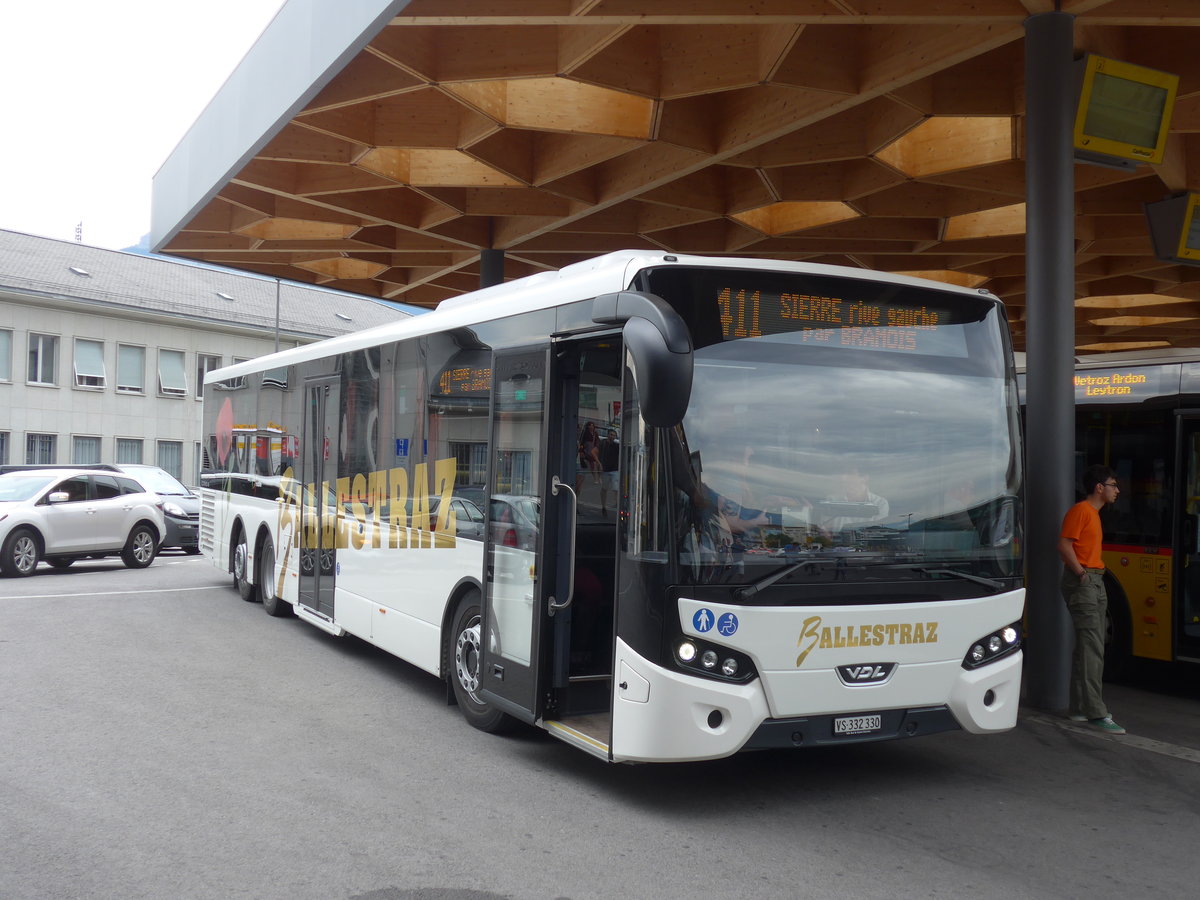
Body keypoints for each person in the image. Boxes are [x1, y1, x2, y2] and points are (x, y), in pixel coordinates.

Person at [1057, 464, 1125, 735]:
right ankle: (1096, 712)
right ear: (1099, 487)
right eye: (1113, 485)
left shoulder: (1091, 513)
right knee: (1092, 647)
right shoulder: (1081, 511)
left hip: (1093, 580)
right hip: (1086, 582)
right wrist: (1082, 574)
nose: (1117, 490)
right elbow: (1064, 545)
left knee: (1087, 647)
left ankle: (1079, 708)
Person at [819, 464, 889, 534]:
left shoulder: (880, 503)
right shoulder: (831, 500)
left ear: (864, 477)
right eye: (842, 473)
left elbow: (879, 530)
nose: (843, 478)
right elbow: (824, 530)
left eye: (849, 473)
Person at [599, 428, 620, 515]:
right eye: (611, 434)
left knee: (616, 489)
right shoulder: (603, 443)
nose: (612, 436)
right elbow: (597, 452)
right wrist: (599, 463)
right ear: (608, 435)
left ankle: (618, 505)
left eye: (613, 435)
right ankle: (603, 506)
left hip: (614, 470)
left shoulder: (616, 445)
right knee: (604, 488)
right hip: (605, 469)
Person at [576, 421, 600, 493]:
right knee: (589, 464)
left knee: (593, 464)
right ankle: (595, 478)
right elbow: (582, 442)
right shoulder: (585, 433)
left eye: (592, 425)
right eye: (590, 425)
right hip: (586, 449)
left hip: (592, 449)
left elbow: (597, 441)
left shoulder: (595, 433)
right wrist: (582, 449)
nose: (591, 427)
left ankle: (596, 478)